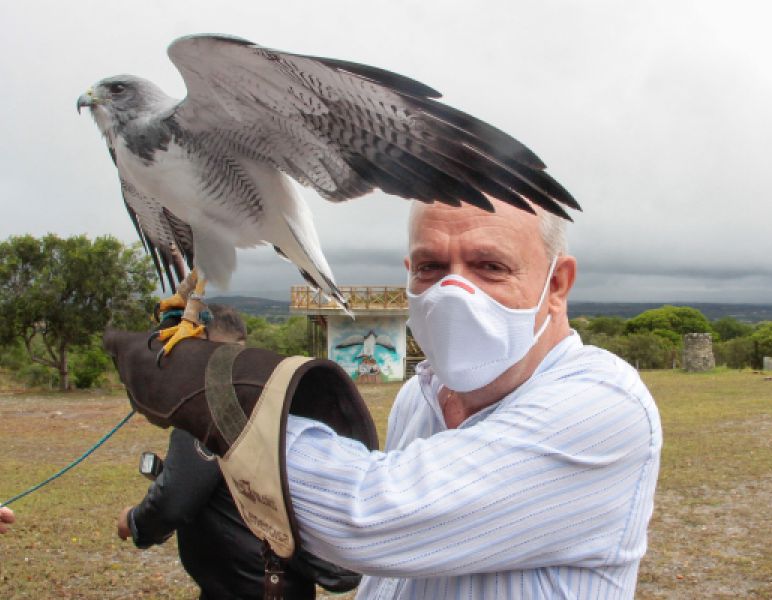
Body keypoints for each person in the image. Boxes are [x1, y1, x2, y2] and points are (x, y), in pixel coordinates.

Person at [107, 199, 662, 599]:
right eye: (430, 267)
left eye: (490, 266)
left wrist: (224, 395)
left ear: (557, 284)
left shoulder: (603, 406)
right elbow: (388, 573)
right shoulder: (420, 396)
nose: (454, 291)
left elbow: (372, 516)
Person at [116, 305, 317, 599]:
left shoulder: (209, 406)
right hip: (278, 581)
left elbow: (175, 499)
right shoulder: (264, 394)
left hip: (250, 586)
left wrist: (134, 522)